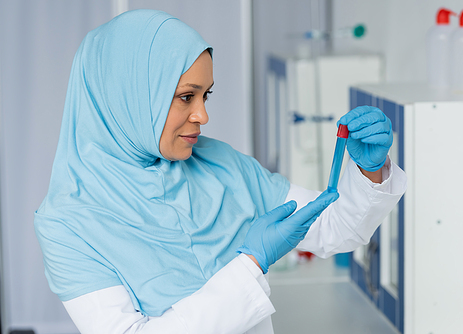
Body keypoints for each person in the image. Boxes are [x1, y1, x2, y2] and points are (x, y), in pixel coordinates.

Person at [34, 9, 406, 334]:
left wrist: (369, 172)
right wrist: (251, 264)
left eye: (205, 95)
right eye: (186, 97)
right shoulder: (67, 223)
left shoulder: (219, 163)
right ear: (127, 95)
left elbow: (332, 228)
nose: (202, 116)